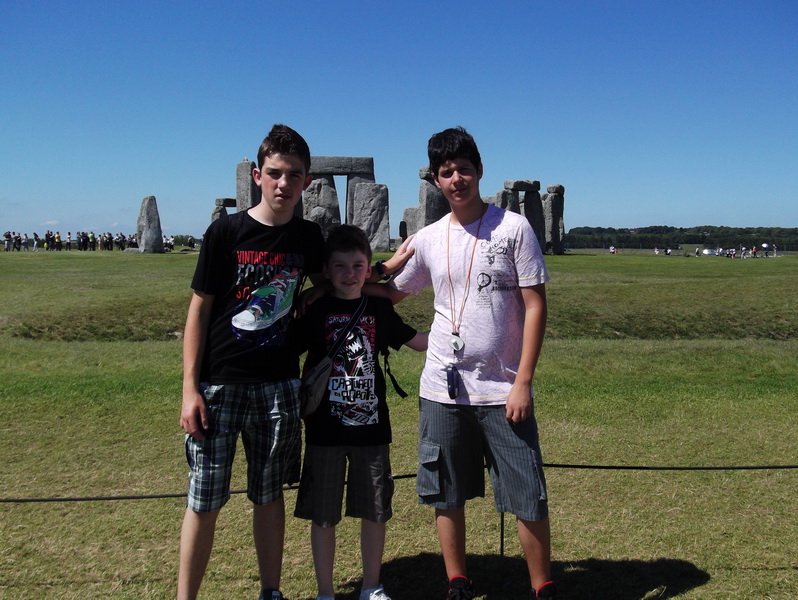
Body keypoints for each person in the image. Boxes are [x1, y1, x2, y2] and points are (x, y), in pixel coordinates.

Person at [378, 127, 556, 599]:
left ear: (479, 170)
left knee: (527, 493)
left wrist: (524, 381)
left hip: (503, 386)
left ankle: (542, 585)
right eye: (446, 172)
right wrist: (380, 269)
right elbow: (389, 296)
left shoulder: (513, 228)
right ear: (436, 180)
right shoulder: (428, 238)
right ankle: (457, 579)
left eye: (463, 169)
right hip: (443, 384)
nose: (456, 179)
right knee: (446, 489)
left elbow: (535, 305)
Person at [177, 124, 325, 600]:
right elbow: (199, 310)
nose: (284, 184)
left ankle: (271, 590)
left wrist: (316, 291)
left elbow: (337, 278)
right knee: (204, 499)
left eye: (295, 175)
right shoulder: (225, 231)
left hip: (278, 384)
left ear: (307, 181)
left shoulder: (309, 236)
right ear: (257, 176)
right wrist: (190, 388)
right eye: (275, 173)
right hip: (220, 383)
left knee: (269, 494)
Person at [293, 225, 428, 600]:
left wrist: (460, 332)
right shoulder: (315, 309)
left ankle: (372, 585)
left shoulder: (379, 308)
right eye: (339, 266)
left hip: (371, 429)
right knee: (324, 514)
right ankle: (325, 591)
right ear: (326, 270)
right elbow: (286, 348)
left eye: (357, 266)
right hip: (324, 428)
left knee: (375, 511)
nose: (349, 274)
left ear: (369, 269)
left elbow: (418, 342)